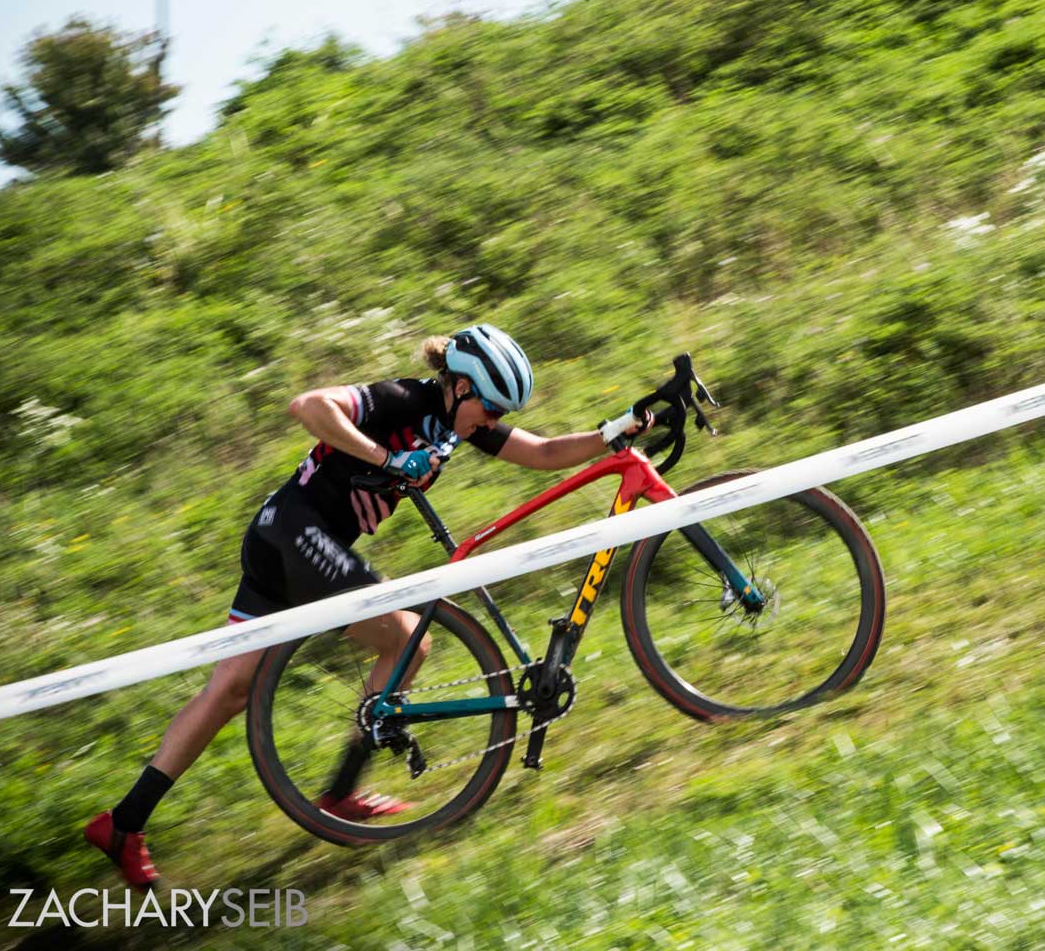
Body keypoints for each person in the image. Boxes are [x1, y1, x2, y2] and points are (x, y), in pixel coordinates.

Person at [84, 324, 649, 886]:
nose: (495, 421)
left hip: (282, 539)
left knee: (231, 690)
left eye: (502, 412)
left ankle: (123, 823)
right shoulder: (404, 399)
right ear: (458, 387)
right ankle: (340, 793)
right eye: (492, 407)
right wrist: (387, 458)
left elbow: (544, 451)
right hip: (295, 534)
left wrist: (615, 430)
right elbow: (308, 405)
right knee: (406, 640)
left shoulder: (458, 424)